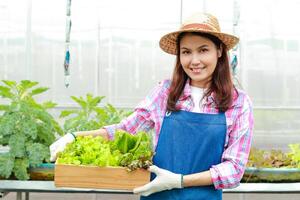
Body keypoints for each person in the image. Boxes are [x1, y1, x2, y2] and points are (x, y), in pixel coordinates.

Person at [50, 12, 254, 200]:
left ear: (219, 51)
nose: (194, 60)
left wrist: (179, 181)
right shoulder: (165, 93)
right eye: (186, 52)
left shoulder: (238, 104)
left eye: (203, 50)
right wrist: (75, 137)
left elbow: (234, 170)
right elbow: (125, 131)